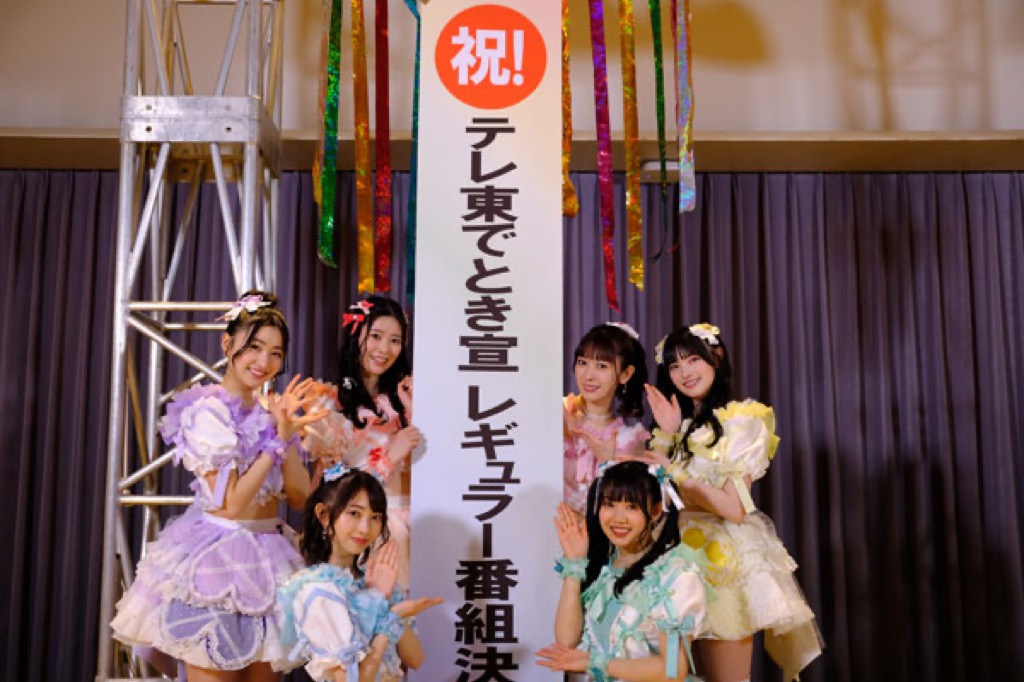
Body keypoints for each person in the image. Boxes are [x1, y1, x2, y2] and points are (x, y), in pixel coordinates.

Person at [111, 291, 328, 681]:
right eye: (254, 347)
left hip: (270, 558)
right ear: (228, 344)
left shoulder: (272, 412)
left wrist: (286, 432)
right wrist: (275, 444)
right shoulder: (206, 412)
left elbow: (299, 498)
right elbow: (230, 505)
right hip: (216, 560)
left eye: (276, 353)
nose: (263, 362)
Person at [645, 323, 823, 682]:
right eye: (675, 365)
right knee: (671, 676)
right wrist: (666, 435)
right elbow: (651, 500)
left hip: (720, 560)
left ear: (717, 357)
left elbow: (734, 508)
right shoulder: (676, 426)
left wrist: (676, 473)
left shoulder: (741, 421)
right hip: (671, 558)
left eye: (693, 360)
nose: (684, 372)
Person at [537, 460, 706, 681]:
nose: (618, 518)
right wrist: (574, 564)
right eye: (609, 504)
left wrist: (595, 663)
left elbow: (673, 671)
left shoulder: (676, 577)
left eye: (632, 507)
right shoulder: (604, 568)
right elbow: (566, 643)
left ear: (656, 511)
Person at [277, 463, 441, 681]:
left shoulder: (373, 579)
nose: (365, 528)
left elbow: (415, 658)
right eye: (354, 513)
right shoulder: (319, 591)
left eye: (375, 517)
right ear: (324, 515)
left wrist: (385, 599)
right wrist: (389, 616)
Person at [304, 296, 422, 588]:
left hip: (421, 523)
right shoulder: (329, 405)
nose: (384, 349)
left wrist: (414, 410)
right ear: (356, 336)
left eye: (395, 340)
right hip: (367, 529)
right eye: (376, 336)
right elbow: (327, 490)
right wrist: (388, 459)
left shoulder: (410, 397)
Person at [563, 323, 649, 513]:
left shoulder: (630, 440)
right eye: (582, 362)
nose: (588, 375)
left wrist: (607, 463)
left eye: (601, 366)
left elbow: (629, 508)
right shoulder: (560, 415)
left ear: (625, 374)